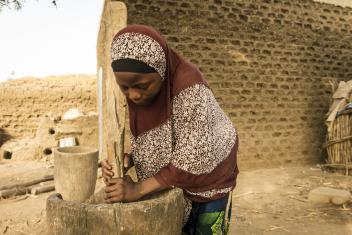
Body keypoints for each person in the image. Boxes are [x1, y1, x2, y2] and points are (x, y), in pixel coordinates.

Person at [101, 24, 239, 235]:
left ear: (162, 70)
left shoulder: (189, 84)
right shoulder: (139, 97)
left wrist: (138, 189)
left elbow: (194, 155)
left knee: (205, 229)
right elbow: (155, 141)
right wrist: (130, 160)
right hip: (177, 177)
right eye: (124, 87)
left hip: (210, 176)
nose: (134, 95)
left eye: (142, 86)